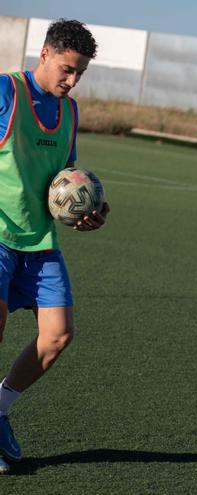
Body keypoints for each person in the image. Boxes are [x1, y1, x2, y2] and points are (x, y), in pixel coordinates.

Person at [0, 18, 109, 471]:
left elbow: (64, 181)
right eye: (67, 68)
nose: (72, 79)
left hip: (40, 241)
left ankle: (0, 410)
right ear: (44, 54)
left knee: (57, 336)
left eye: (80, 72)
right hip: (0, 234)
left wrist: (88, 211)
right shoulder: (6, 92)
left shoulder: (71, 112)